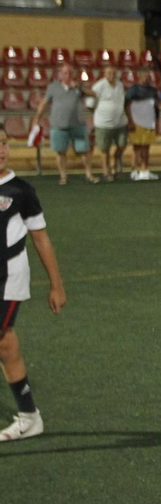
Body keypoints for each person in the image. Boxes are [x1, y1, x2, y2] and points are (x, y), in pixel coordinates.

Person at [0, 129, 68, 444]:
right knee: (6, 344)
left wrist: (56, 285)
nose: (1, 149)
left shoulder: (21, 191)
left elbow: (40, 238)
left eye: (3, 143)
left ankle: (29, 416)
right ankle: (29, 417)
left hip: (9, 278)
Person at [34, 64, 94, 185]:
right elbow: (44, 103)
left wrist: (79, 87)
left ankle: (89, 175)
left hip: (78, 125)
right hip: (58, 125)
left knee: (84, 151)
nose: (68, 76)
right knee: (61, 152)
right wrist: (37, 118)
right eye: (65, 73)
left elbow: (93, 94)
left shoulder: (78, 87)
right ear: (60, 74)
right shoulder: (53, 87)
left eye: (70, 73)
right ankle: (63, 177)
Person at [88, 65, 128, 182]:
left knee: (122, 145)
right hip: (103, 124)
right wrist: (102, 113)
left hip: (120, 122)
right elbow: (90, 104)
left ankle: (114, 162)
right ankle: (106, 172)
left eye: (113, 73)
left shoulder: (120, 85)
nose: (111, 75)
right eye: (109, 73)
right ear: (104, 74)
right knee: (104, 149)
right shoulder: (99, 86)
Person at [125, 69, 161, 181]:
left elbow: (156, 107)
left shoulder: (153, 91)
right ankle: (134, 170)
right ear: (139, 76)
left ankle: (144, 169)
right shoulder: (133, 90)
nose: (147, 79)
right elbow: (127, 106)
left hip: (149, 122)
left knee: (146, 147)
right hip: (137, 122)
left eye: (148, 77)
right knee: (137, 148)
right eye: (145, 77)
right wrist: (130, 121)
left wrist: (157, 122)